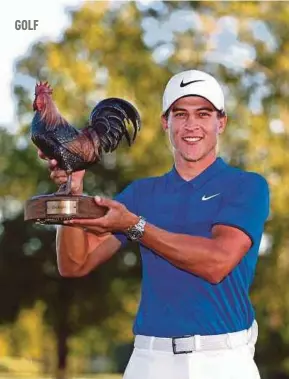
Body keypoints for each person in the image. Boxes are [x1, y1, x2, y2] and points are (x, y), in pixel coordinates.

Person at [39, 69, 270, 379]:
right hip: (150, 361)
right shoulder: (141, 194)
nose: (191, 125)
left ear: (221, 122)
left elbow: (217, 262)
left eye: (203, 114)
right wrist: (72, 192)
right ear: (166, 122)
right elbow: (74, 263)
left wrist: (136, 226)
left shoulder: (247, 186)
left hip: (224, 360)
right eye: (180, 114)